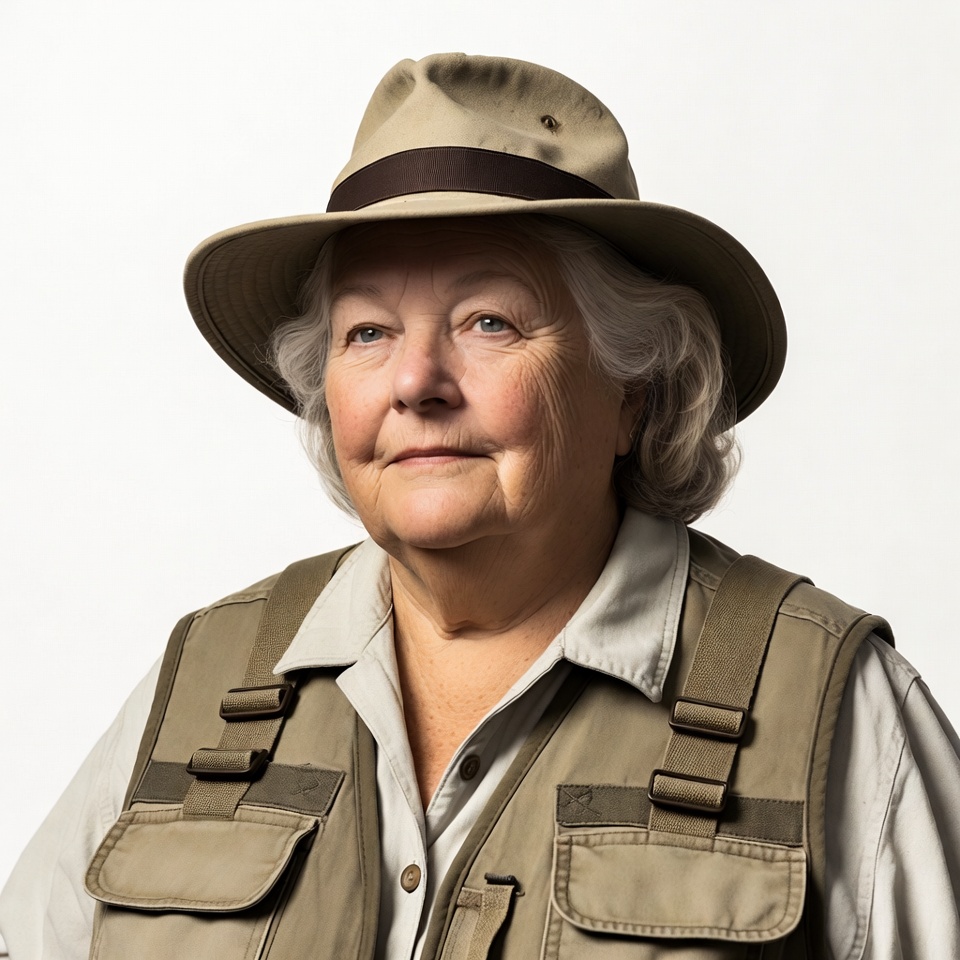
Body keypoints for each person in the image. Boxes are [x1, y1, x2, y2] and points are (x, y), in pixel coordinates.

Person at [2, 52, 959, 960]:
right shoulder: (198, 689)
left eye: (488, 322)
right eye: (368, 332)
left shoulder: (837, 709)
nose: (415, 381)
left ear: (634, 389)